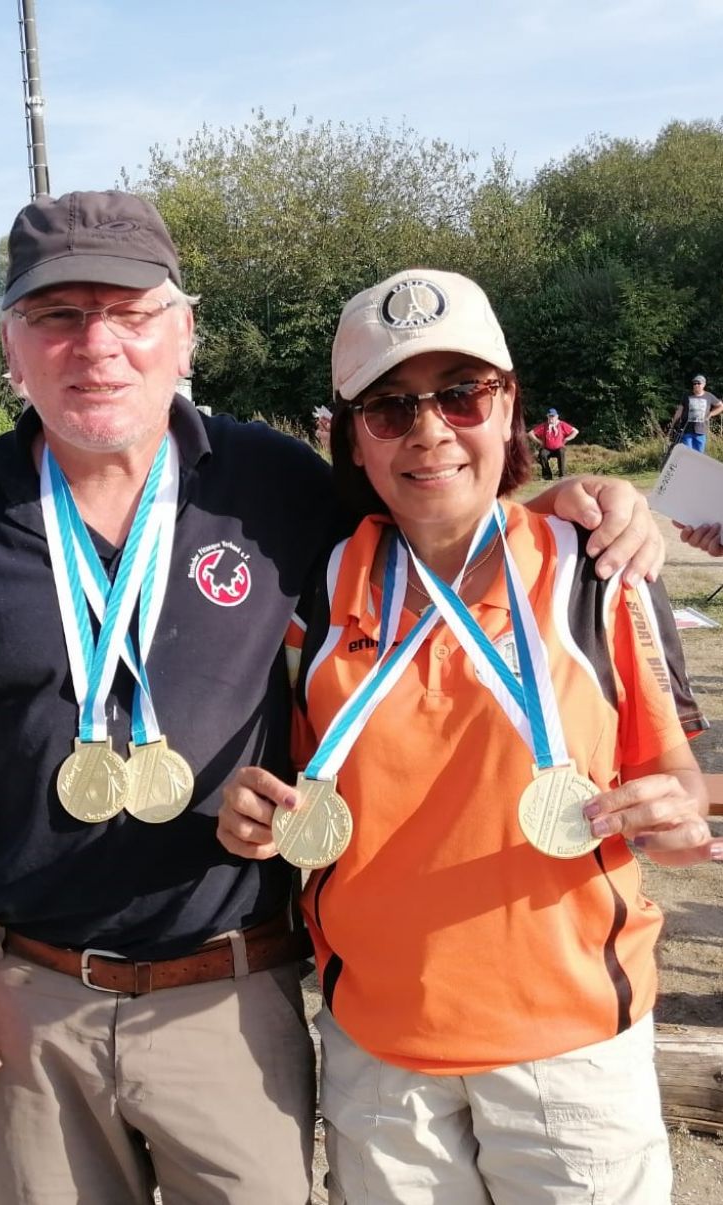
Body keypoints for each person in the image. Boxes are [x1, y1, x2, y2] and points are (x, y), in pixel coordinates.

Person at [0, 192, 668, 1205]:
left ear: (183, 331)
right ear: (11, 346)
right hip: (26, 997)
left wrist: (574, 502)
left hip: (229, 993)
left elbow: (437, 498)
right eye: (57, 315)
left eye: (129, 311)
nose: (96, 345)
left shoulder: (275, 483)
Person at [219, 268, 716, 1205]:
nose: (431, 431)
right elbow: (280, 776)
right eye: (391, 407)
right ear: (350, 437)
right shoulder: (315, 591)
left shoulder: (598, 568)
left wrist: (678, 810)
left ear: (510, 404)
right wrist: (249, 807)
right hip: (382, 1062)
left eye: (462, 393)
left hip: (569, 1059)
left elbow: (677, 780)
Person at [670, 374, 723, 454]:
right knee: (687, 453)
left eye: (698, 383)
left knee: (699, 455)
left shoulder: (709, 396)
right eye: (694, 383)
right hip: (687, 429)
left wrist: (711, 414)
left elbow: (720, 406)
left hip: (701, 431)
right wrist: (673, 423)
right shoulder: (686, 396)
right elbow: (679, 411)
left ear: (704, 384)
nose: (696, 385)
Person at [528, 405, 578, 479]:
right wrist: (539, 441)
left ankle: (562, 475)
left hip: (559, 448)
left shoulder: (561, 424)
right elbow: (530, 433)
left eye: (553, 416)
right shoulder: (544, 425)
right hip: (547, 448)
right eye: (549, 416)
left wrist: (567, 439)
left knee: (562, 452)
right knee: (542, 454)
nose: (551, 418)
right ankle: (547, 475)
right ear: (547, 416)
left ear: (556, 417)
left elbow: (575, 431)